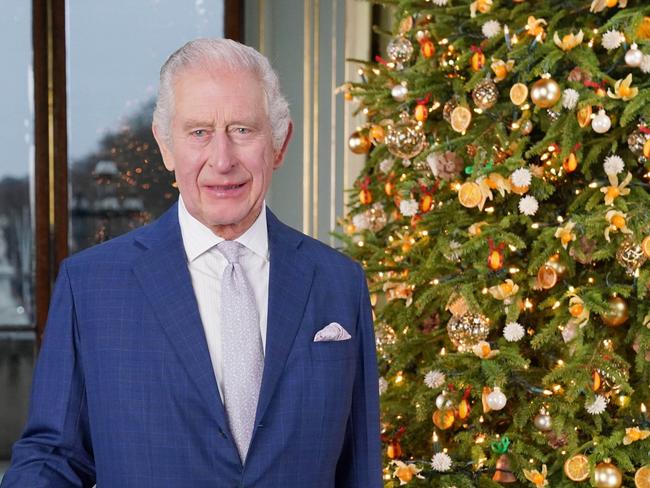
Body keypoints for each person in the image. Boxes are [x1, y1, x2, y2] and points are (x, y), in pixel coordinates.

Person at [1, 38, 381, 487]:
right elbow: (54, 460)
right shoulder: (91, 287)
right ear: (165, 146)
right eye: (199, 132)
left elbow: (359, 470)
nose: (222, 160)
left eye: (243, 130)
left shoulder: (340, 283)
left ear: (279, 144)